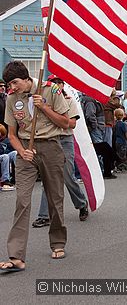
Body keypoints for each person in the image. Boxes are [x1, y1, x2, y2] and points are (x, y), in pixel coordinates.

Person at [0, 61, 69, 273]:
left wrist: (44, 107)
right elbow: (11, 134)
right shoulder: (12, 99)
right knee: (22, 200)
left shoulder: (51, 89)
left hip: (50, 147)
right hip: (26, 152)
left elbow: (65, 123)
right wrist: (22, 151)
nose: (12, 87)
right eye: (9, 84)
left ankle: (58, 242)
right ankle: (16, 256)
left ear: (27, 78)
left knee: (54, 198)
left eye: (15, 82)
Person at [32, 75, 88, 228]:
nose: (57, 85)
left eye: (59, 83)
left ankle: (81, 203)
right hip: (51, 140)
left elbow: (71, 124)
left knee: (68, 176)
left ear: (63, 85)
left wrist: (54, 116)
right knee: (47, 178)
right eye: (54, 83)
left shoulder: (69, 100)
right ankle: (44, 215)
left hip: (65, 140)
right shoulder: (43, 101)